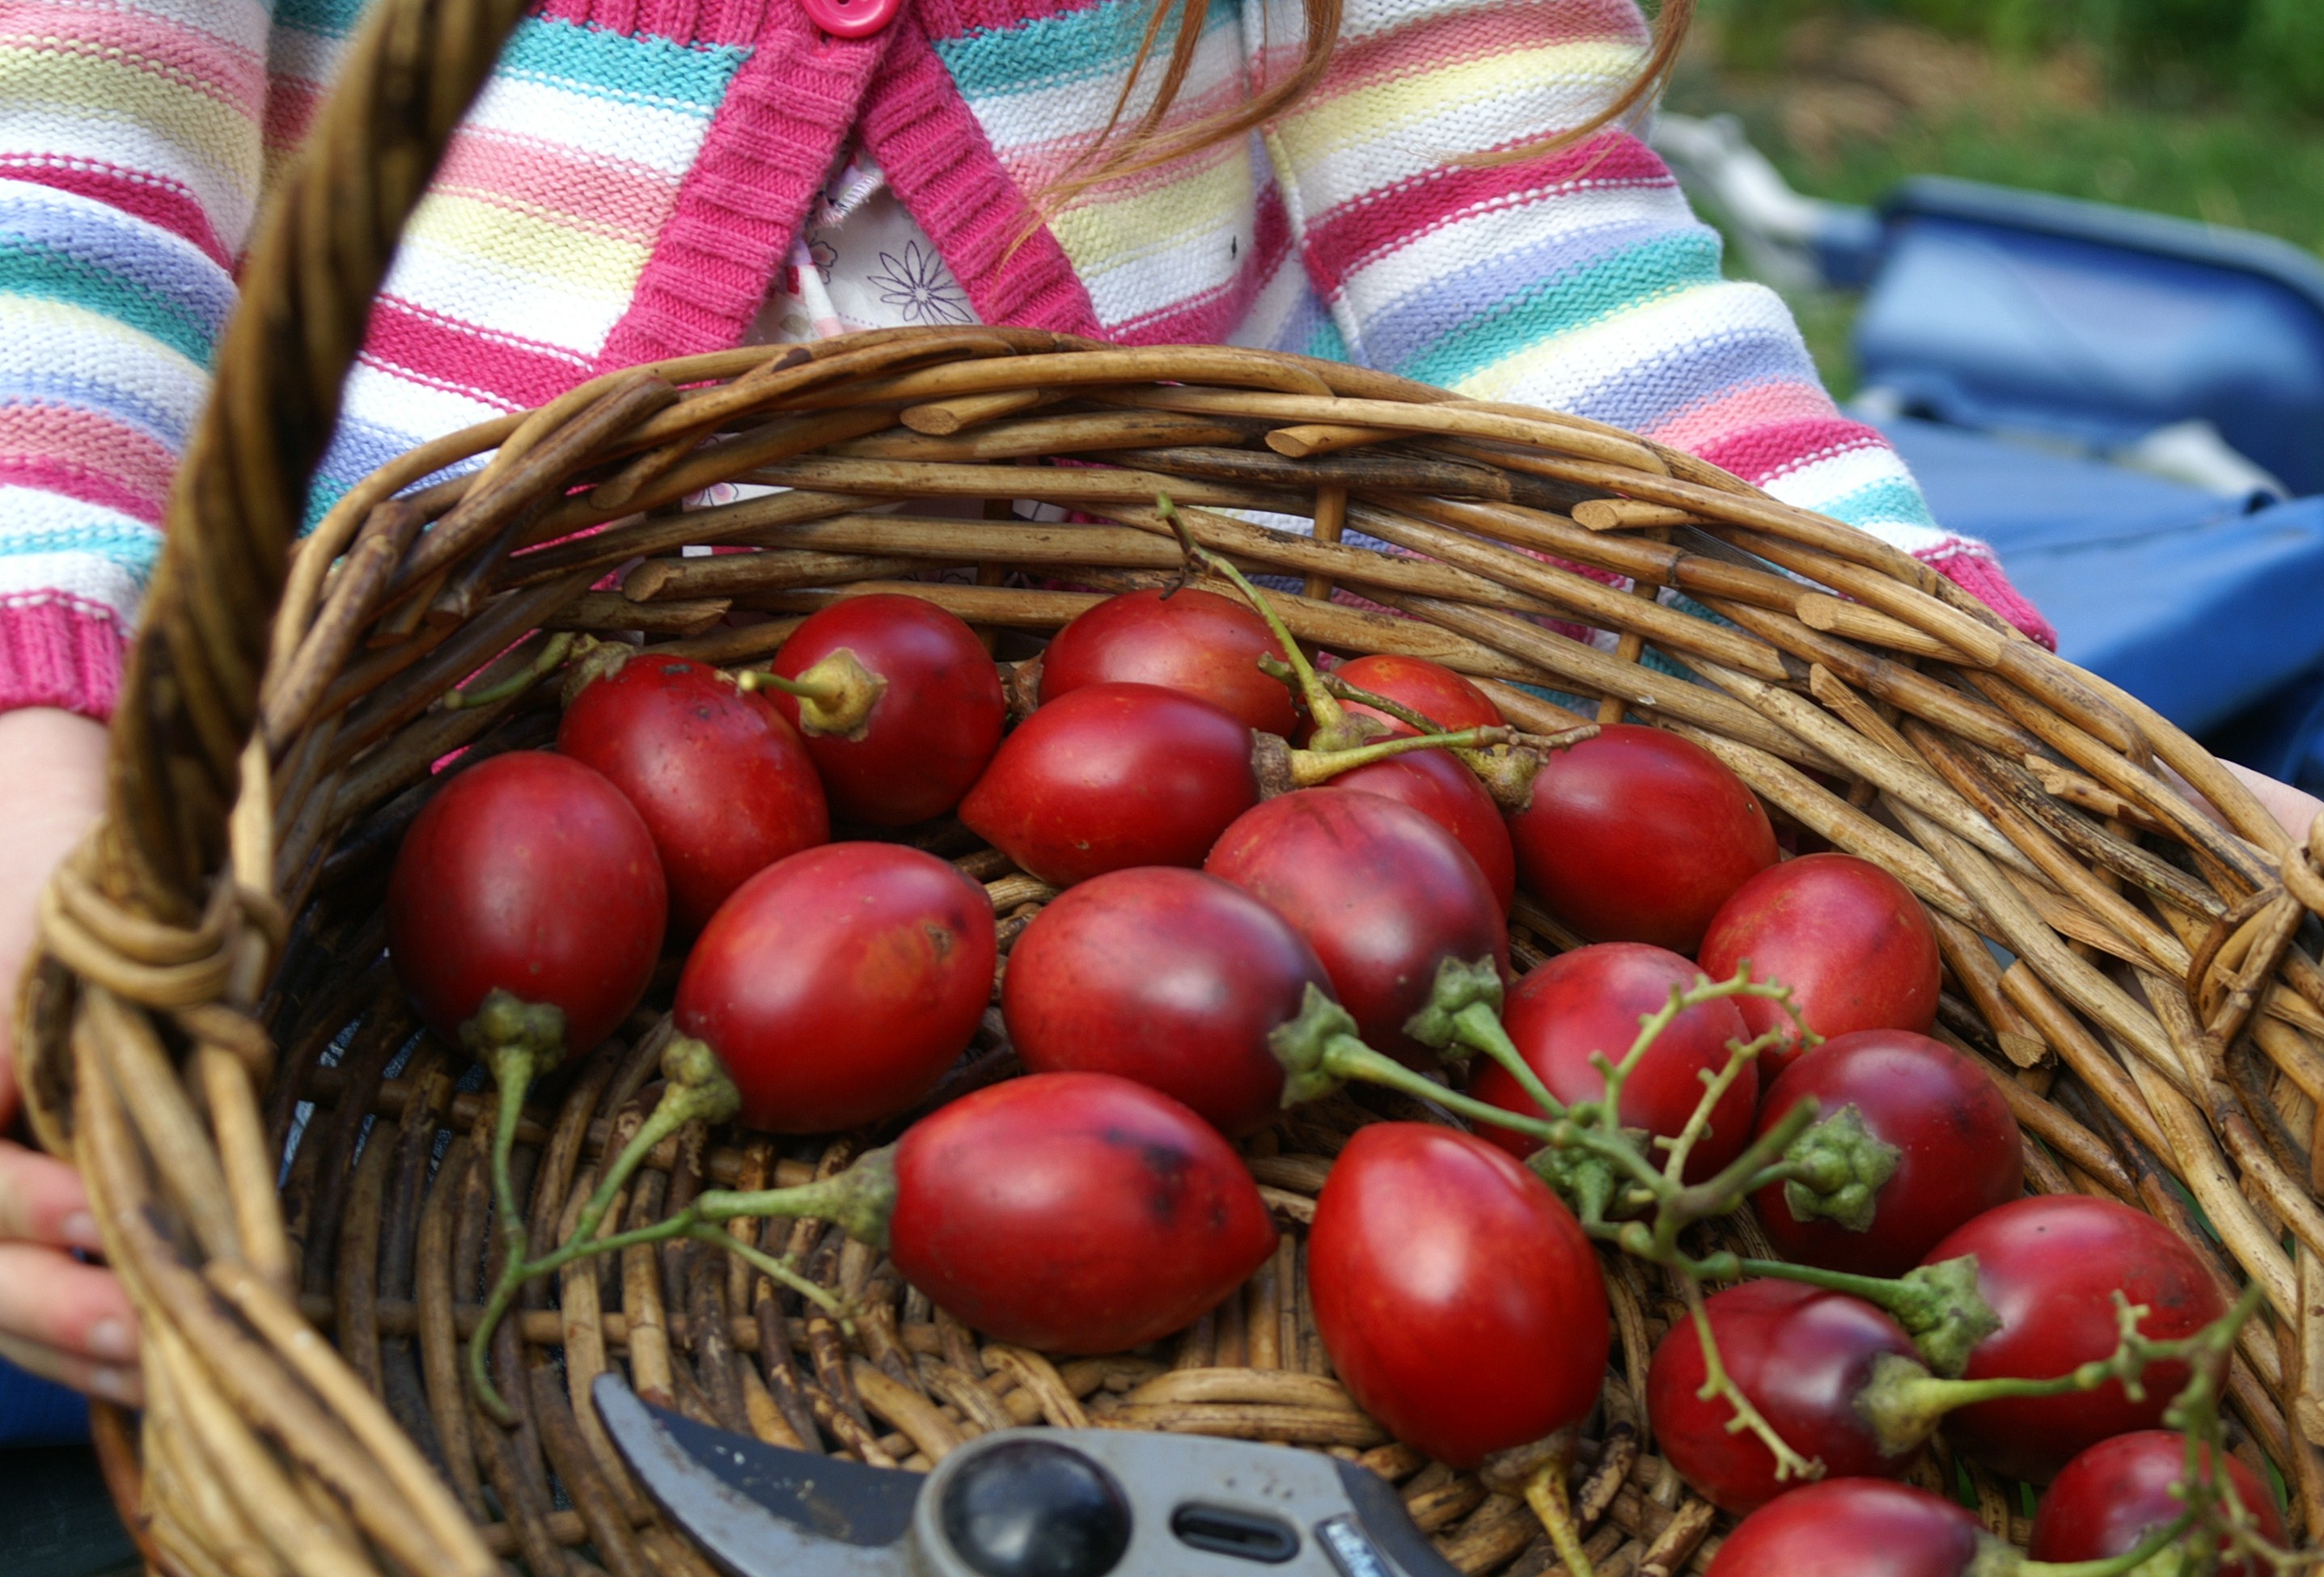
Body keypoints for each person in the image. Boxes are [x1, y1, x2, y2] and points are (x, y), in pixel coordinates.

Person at [0, 0, 2311, 1424]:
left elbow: (1533, 241)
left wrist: (1978, 711)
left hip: (1144, 887)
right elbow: (70, 198)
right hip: (415, 871)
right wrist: (34, 751)